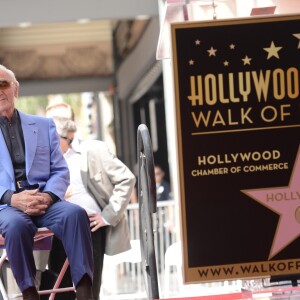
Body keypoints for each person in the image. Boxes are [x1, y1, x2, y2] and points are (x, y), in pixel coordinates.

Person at [0, 64, 94, 300]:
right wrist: (12, 198)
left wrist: (49, 196)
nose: (0, 91)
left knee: (75, 214)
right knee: (16, 226)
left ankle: (84, 291)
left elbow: (60, 171)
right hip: (7, 205)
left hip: (45, 202)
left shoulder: (44, 125)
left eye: (4, 84)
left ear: (15, 89)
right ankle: (30, 293)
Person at [51, 116, 136, 300]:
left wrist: (108, 216)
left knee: (89, 287)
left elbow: (126, 179)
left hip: (88, 227)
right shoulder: (46, 158)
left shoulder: (94, 150)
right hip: (56, 230)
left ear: (62, 137)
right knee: (58, 288)